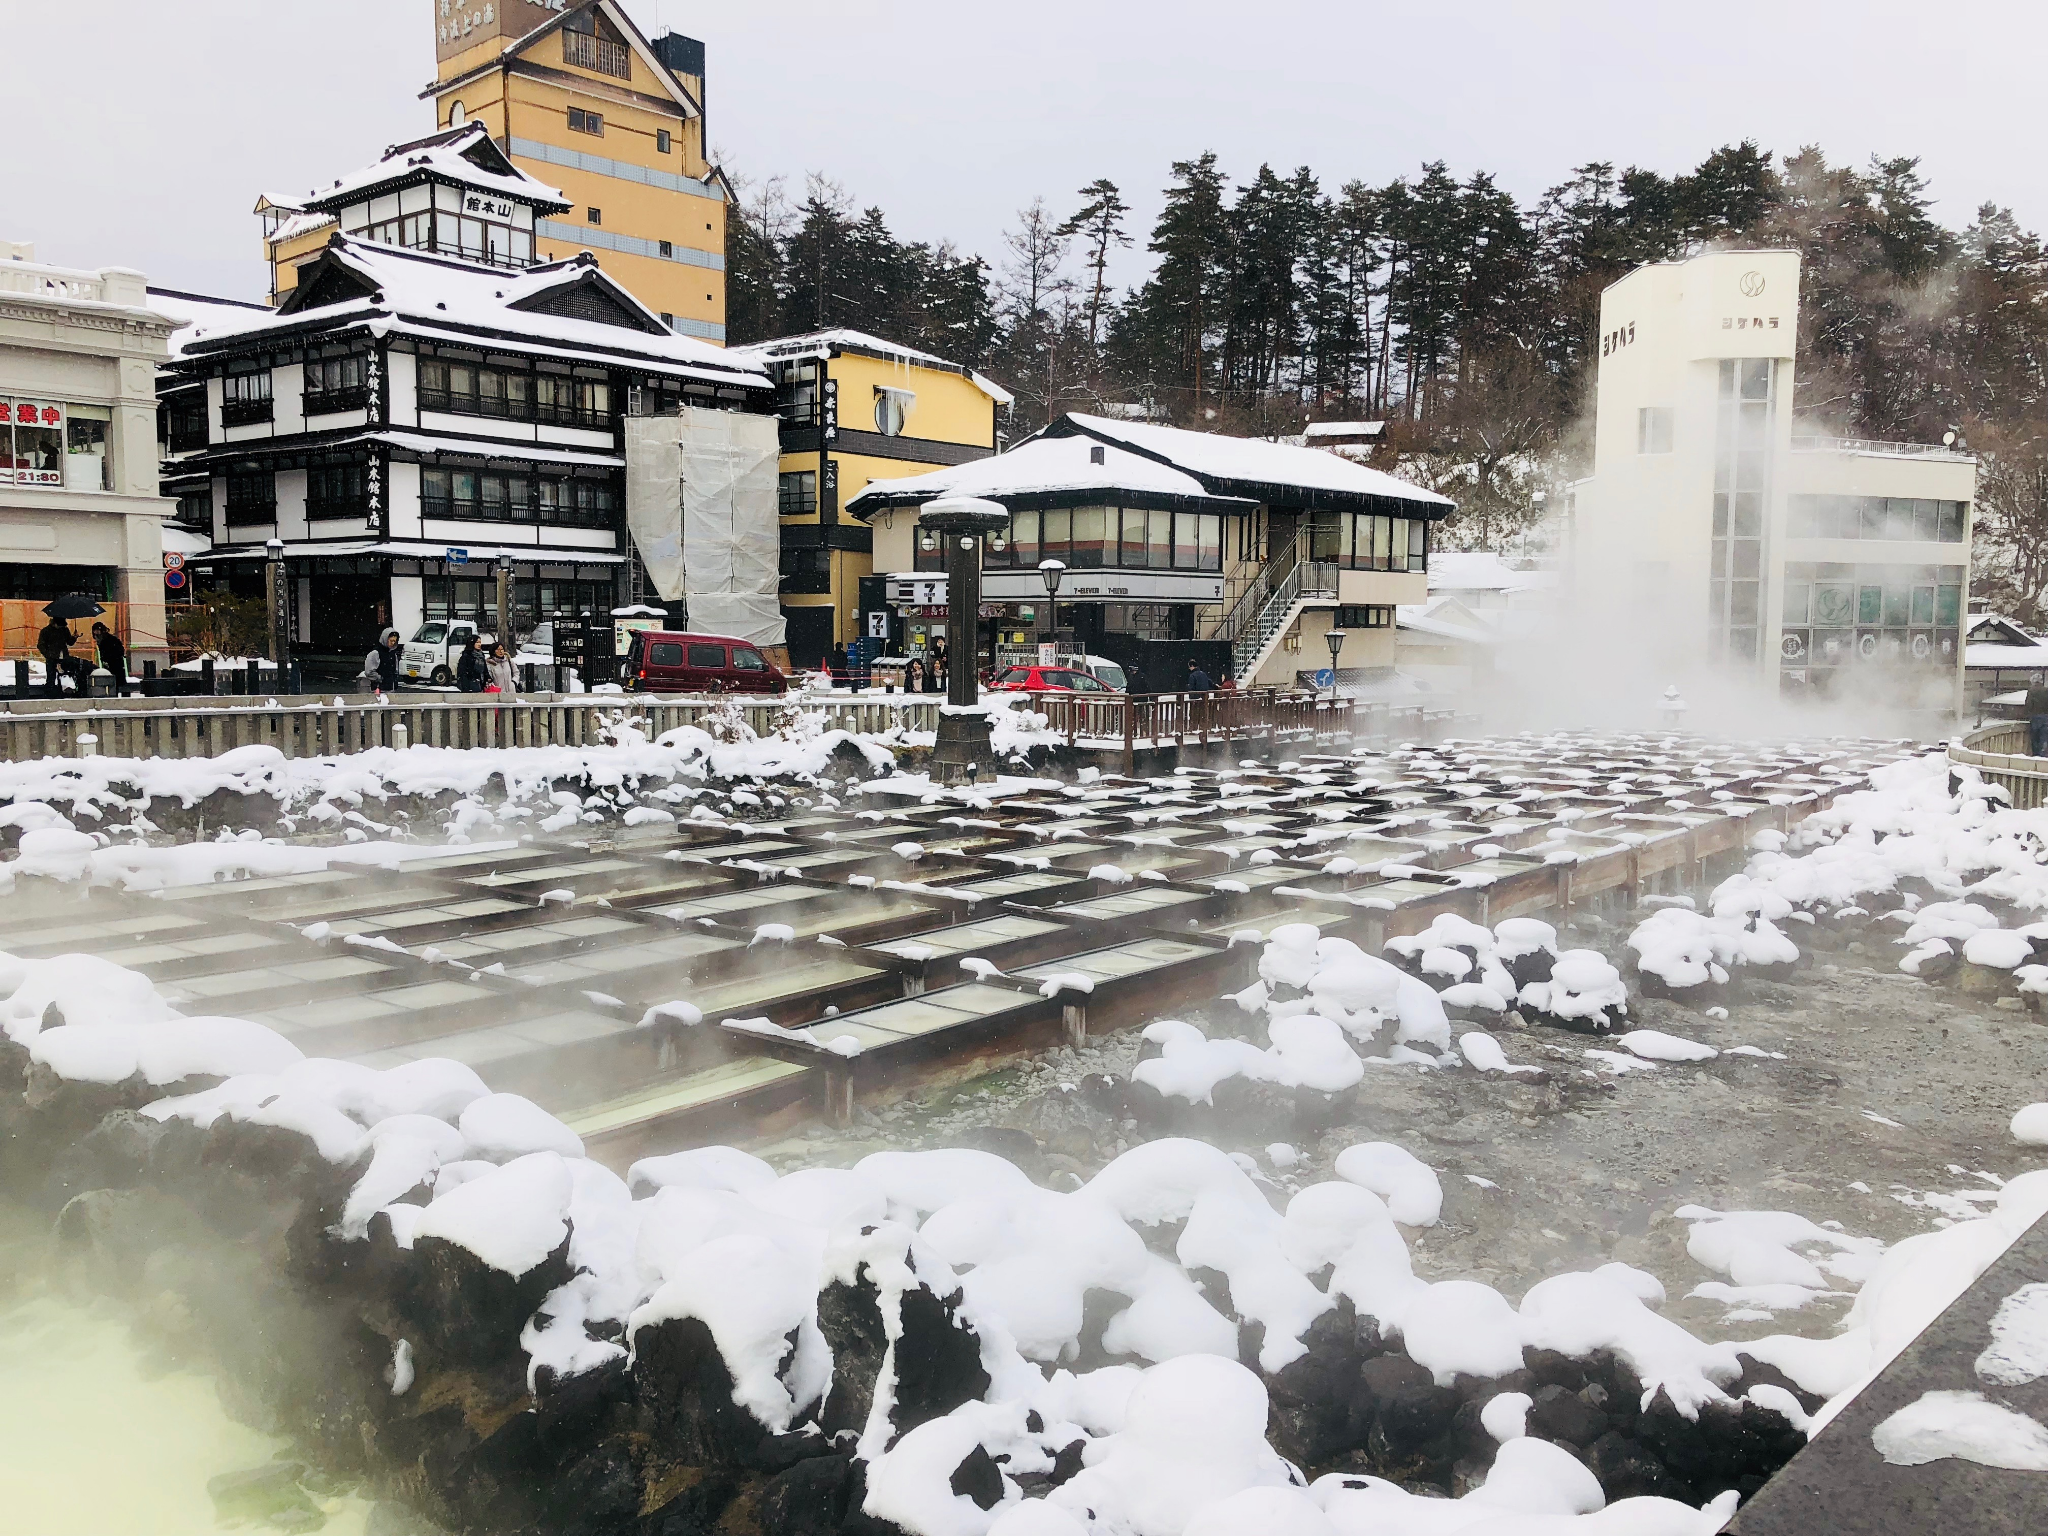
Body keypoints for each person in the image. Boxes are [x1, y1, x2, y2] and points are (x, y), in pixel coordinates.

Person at [36, 616, 74, 695]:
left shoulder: (64, 630)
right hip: (52, 657)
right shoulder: (46, 631)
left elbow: (69, 642)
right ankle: (51, 692)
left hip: (62, 656)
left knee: (63, 676)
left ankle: (60, 691)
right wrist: (48, 654)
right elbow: (41, 645)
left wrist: (74, 637)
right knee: (51, 676)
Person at [89, 622, 127, 695]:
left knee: (116, 682)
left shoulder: (108, 639)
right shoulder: (102, 639)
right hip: (111, 663)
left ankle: (118, 697)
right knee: (114, 682)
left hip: (114, 663)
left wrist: (108, 658)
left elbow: (117, 650)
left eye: (97, 630)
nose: (96, 633)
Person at [2028, 680, 2048, 757]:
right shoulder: (2046, 690)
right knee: (2044, 737)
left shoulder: (2031, 691)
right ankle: (2043, 753)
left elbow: (2029, 704)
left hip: (2035, 717)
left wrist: (2028, 714)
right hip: (2045, 717)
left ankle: (2036, 754)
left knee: (2035, 738)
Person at [377, 630, 402, 694]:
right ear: (385, 639)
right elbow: (369, 671)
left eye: (394, 641)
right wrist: (380, 678)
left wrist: (395, 680)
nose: (393, 643)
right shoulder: (376, 653)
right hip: (379, 689)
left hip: (390, 688)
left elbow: (395, 670)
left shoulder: (393, 654)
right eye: (391, 641)